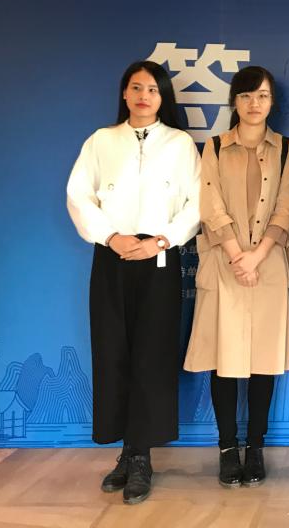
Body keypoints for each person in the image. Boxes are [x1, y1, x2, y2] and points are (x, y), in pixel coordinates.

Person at [66, 60, 200, 505]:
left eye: (153, 89)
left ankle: (142, 455)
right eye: (137, 88)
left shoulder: (180, 144)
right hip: (112, 255)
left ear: (164, 98)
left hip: (159, 256)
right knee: (112, 351)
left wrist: (162, 239)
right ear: (124, 93)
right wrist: (111, 236)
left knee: (152, 355)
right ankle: (124, 450)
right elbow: (78, 195)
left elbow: (197, 202)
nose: (144, 96)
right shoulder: (102, 141)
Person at [183, 66, 289, 488]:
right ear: (234, 101)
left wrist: (258, 255)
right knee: (225, 361)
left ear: (272, 102)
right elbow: (209, 204)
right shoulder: (214, 147)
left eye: (262, 96)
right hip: (225, 264)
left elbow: (287, 207)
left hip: (268, 264)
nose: (254, 104)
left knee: (264, 361)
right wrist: (237, 255)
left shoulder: (287, 149)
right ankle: (227, 447)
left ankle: (256, 446)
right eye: (247, 96)